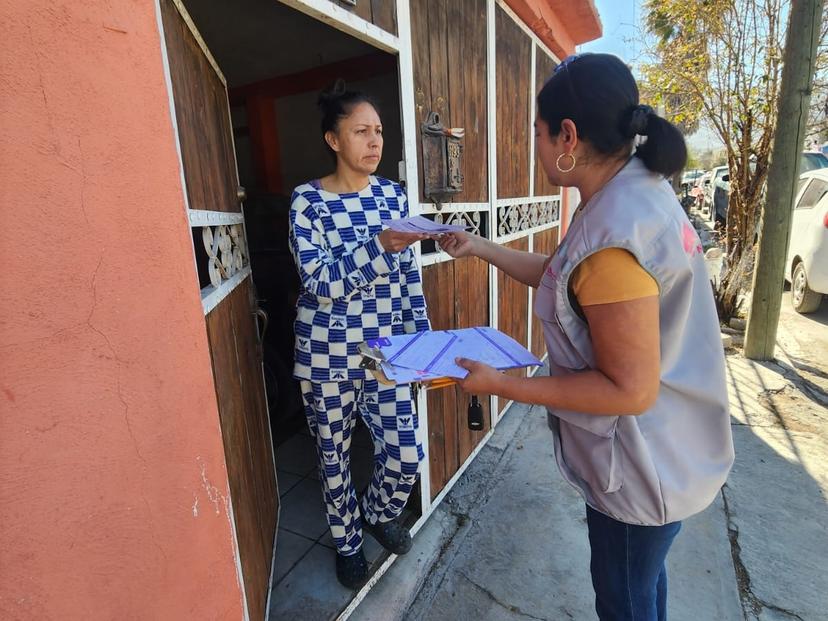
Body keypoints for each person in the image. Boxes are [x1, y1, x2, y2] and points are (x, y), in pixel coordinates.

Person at [440, 54, 734, 621]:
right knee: (644, 588)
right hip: (673, 446)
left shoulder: (612, 235)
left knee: (625, 599)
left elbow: (627, 391)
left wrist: (502, 384)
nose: (537, 146)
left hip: (642, 462)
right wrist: (478, 246)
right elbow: (562, 274)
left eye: (538, 134)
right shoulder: (633, 194)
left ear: (567, 135)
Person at [288, 81, 431, 589]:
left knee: (405, 451)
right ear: (333, 139)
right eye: (361, 132)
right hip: (327, 353)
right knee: (334, 453)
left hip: (385, 350)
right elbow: (320, 282)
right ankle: (347, 541)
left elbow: (408, 277)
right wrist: (379, 246)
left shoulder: (394, 196)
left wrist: (423, 346)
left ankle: (377, 510)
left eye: (379, 132)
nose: (375, 142)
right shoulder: (307, 202)